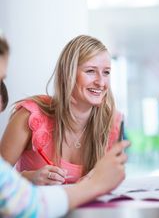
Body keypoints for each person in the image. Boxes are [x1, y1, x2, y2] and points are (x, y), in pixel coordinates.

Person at [0, 33, 129, 217]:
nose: (101, 82)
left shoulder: (111, 122)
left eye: (106, 72)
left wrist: (99, 179)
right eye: (91, 71)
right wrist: (29, 178)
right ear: (68, 74)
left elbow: (112, 182)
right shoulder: (29, 116)